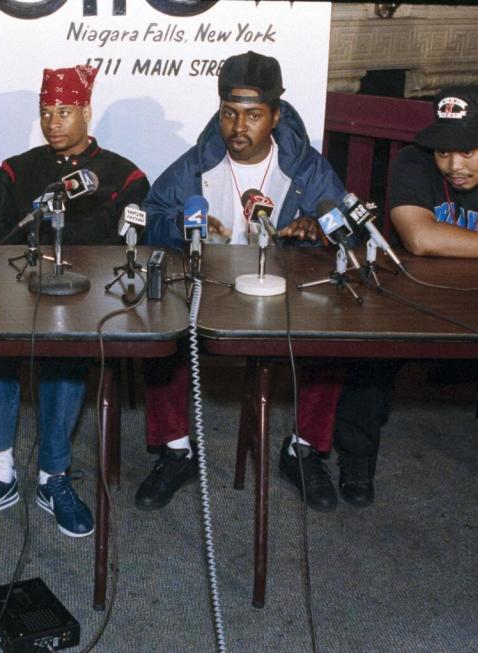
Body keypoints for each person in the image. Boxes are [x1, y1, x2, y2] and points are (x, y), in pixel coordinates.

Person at [333, 86, 478, 529]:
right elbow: (420, 237)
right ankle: (356, 456)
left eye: (468, 152)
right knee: (368, 348)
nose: (454, 166)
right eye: (444, 153)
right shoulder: (413, 163)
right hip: (410, 295)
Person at [140, 51, 347, 513]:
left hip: (283, 292)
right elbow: (152, 213)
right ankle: (175, 451)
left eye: (253, 115)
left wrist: (318, 227)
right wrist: (184, 228)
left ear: (275, 115)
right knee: (160, 329)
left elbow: (344, 220)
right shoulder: (198, 162)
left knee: (332, 341)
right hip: (209, 288)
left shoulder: (306, 166)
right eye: (229, 113)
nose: (239, 127)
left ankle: (303, 449)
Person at [0, 65, 149, 538]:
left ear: (86, 112)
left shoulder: (123, 173)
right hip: (15, 290)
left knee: (65, 351)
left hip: (85, 297)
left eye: (64, 111)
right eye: (45, 113)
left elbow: (122, 241)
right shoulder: (18, 168)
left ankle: (52, 477)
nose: (53, 122)